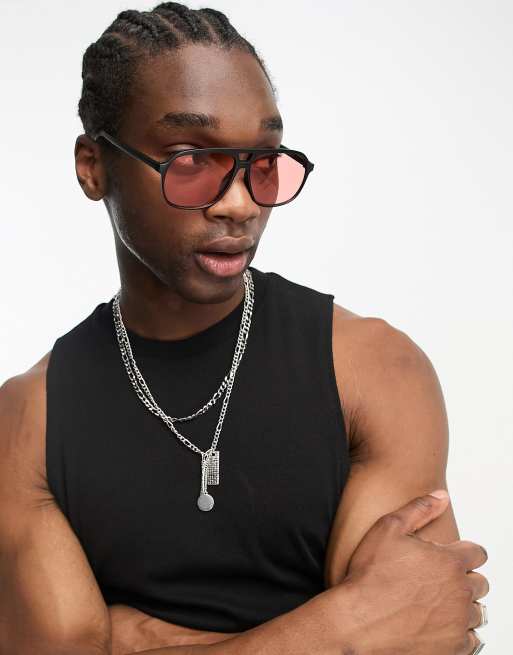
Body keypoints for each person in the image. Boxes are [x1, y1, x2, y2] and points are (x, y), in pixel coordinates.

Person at [0, 3, 489, 654]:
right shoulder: (25, 421)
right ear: (94, 165)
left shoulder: (372, 367)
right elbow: (375, 631)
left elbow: (414, 633)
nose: (239, 202)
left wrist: (133, 636)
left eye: (261, 160)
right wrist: (339, 628)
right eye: (187, 159)